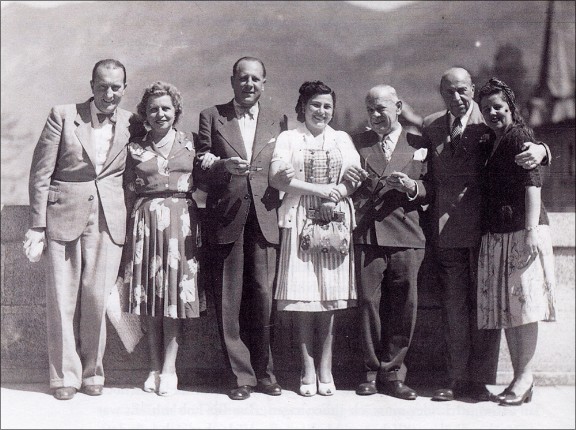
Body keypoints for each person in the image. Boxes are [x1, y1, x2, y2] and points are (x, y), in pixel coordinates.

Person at [409, 67, 550, 402]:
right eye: (449, 92)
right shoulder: (431, 125)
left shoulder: (488, 119)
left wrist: (544, 149)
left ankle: (480, 380)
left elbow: (524, 143)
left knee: (490, 308)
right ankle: (455, 378)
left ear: (472, 89)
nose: (457, 99)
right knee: (454, 307)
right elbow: (419, 165)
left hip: (489, 229)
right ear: (440, 93)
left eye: (462, 91)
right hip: (449, 231)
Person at [24, 59, 145, 400]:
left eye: (116, 87)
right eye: (103, 86)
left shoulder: (132, 123)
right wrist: (36, 224)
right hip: (63, 215)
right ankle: (64, 376)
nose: (109, 94)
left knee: (96, 299)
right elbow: (41, 173)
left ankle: (93, 371)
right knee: (62, 299)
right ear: (91, 85)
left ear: (125, 87)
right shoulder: (63, 115)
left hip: (109, 220)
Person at [195, 57, 289, 400]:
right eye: (242, 78)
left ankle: (265, 373)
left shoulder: (278, 120)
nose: (249, 84)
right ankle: (241, 378)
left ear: (264, 83)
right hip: (226, 218)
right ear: (232, 81)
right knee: (228, 299)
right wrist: (223, 166)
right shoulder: (212, 115)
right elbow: (201, 168)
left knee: (264, 298)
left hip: (265, 217)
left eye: (255, 79)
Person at [120, 81, 215, 396]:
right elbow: (127, 191)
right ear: (145, 114)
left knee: (173, 298)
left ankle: (170, 369)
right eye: (153, 109)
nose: (160, 114)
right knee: (150, 299)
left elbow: (208, 181)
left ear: (176, 112)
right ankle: (153, 366)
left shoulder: (192, 143)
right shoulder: (135, 148)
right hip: (146, 224)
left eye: (166, 108)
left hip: (180, 225)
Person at [269, 80, 361, 397]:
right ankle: (307, 368)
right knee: (304, 298)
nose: (321, 111)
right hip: (298, 221)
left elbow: (353, 177)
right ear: (303, 108)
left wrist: (339, 193)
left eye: (327, 106)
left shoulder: (341, 139)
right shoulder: (289, 138)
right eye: (315, 105)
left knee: (329, 300)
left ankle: (326, 367)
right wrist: (322, 190)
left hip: (334, 222)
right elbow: (279, 176)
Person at [342, 85, 430, 400]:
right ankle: (368, 373)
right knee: (367, 303)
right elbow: (344, 185)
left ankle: (393, 374)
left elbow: (432, 188)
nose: (376, 115)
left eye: (382, 108)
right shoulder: (356, 143)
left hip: (407, 234)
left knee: (404, 304)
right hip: (368, 233)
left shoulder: (419, 143)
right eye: (370, 109)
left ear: (398, 107)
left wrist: (412, 187)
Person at [476, 78, 556, 406]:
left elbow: (532, 184)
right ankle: (520, 376)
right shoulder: (490, 140)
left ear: (511, 107)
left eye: (499, 106)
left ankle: (525, 376)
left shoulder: (519, 136)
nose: (493, 113)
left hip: (522, 231)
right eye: (487, 109)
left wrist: (530, 232)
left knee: (525, 307)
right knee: (510, 310)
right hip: (499, 232)